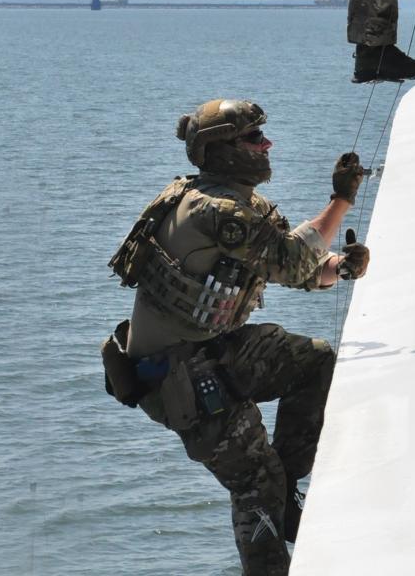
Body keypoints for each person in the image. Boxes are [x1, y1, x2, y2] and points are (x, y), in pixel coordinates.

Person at [101, 98, 369, 575]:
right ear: (222, 150)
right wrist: (341, 199)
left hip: (209, 353)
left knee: (315, 362)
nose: (266, 145)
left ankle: (286, 497)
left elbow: (303, 271)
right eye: (253, 138)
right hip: (177, 381)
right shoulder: (213, 212)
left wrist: (339, 268)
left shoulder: (239, 205)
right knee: (255, 481)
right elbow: (290, 259)